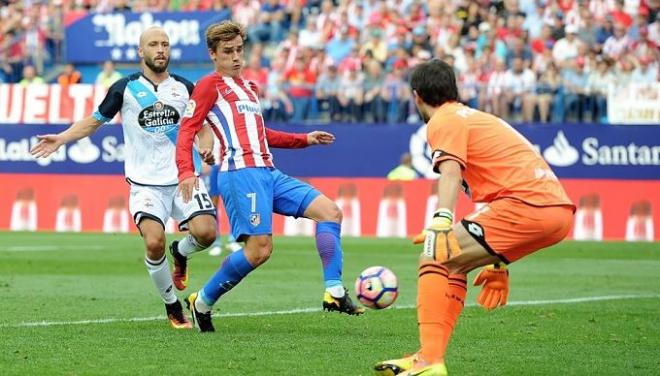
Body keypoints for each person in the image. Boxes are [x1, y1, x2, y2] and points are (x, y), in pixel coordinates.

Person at [374, 59, 575, 376]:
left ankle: (429, 361)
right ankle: (429, 356)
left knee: (434, 256)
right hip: (556, 210)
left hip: (526, 204)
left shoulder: (443, 120)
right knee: (456, 261)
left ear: (416, 96)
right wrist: (498, 260)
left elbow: (450, 171)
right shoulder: (476, 117)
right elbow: (499, 190)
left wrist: (442, 220)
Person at [176, 21, 364, 332]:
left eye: (239, 50)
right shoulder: (209, 85)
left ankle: (334, 291)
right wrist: (186, 171)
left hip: (268, 172)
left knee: (330, 212)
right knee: (260, 249)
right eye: (227, 52)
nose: (236, 57)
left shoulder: (249, 87)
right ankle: (202, 302)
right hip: (240, 173)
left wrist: (303, 140)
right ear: (213, 54)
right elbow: (187, 130)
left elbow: (261, 133)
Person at [30, 26, 219, 330]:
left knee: (207, 233)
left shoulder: (186, 87)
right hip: (145, 184)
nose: (161, 50)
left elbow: (203, 127)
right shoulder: (124, 88)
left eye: (165, 44)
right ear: (140, 52)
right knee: (154, 242)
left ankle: (180, 252)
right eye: (154, 45)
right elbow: (94, 122)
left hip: (184, 178)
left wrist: (206, 147)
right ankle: (172, 305)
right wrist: (62, 138)